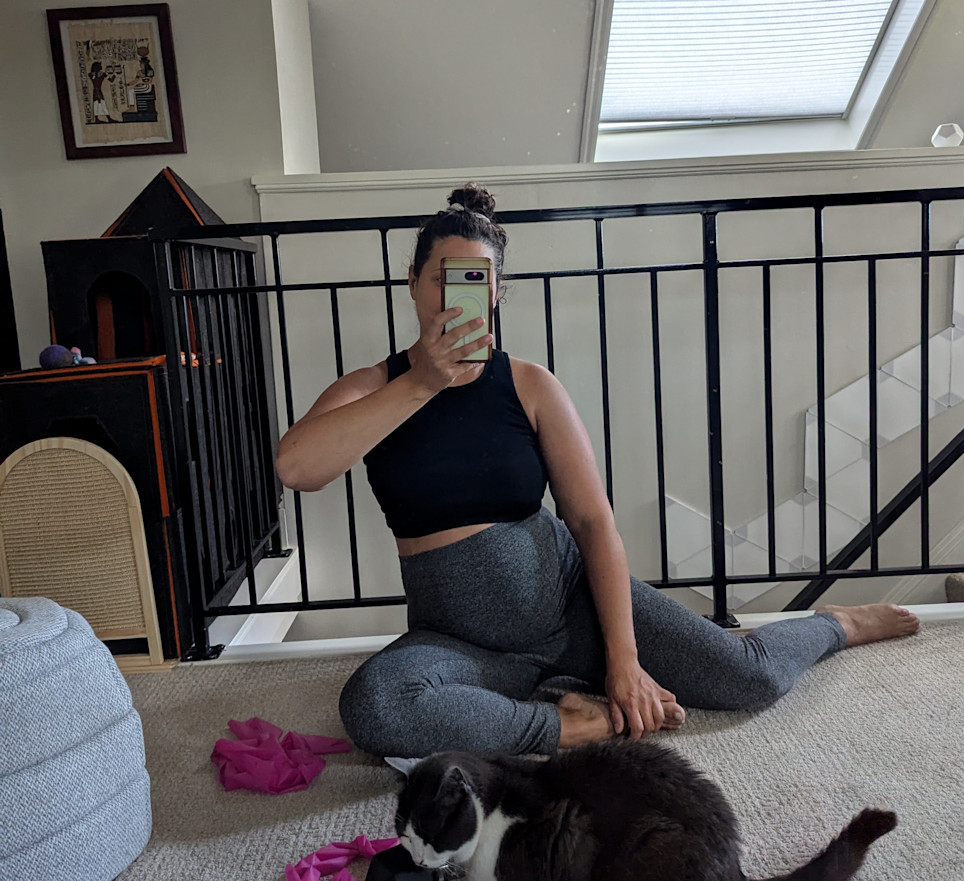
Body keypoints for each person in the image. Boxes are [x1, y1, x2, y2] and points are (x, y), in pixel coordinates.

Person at [275, 185, 920, 759]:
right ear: (413, 281)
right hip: (461, 647)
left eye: (478, 279)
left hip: (573, 609)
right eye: (445, 277)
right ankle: (563, 726)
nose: (459, 294)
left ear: (496, 292)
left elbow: (591, 521)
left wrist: (625, 660)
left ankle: (836, 624)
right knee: (375, 705)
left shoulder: (529, 385)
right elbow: (297, 466)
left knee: (747, 676)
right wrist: (421, 381)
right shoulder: (371, 390)